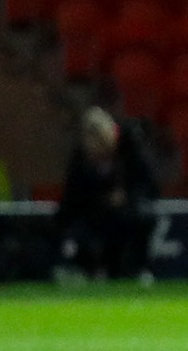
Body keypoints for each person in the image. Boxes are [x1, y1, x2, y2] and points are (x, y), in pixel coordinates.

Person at [52, 102, 154, 279]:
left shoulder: (131, 151)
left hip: (127, 211)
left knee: (140, 219)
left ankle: (136, 269)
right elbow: (72, 198)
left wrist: (126, 197)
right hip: (94, 213)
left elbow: (146, 185)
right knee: (77, 231)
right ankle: (84, 269)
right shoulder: (80, 161)